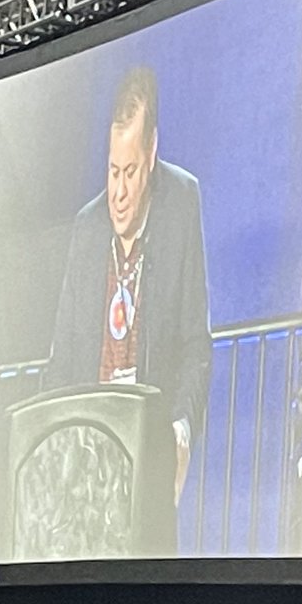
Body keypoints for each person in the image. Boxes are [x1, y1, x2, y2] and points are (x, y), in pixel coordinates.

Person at [49, 65, 212, 507]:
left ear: (153, 151)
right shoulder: (87, 227)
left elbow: (196, 343)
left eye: (132, 172)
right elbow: (62, 357)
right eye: (113, 170)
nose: (118, 192)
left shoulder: (181, 202)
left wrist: (181, 429)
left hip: (149, 448)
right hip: (87, 449)